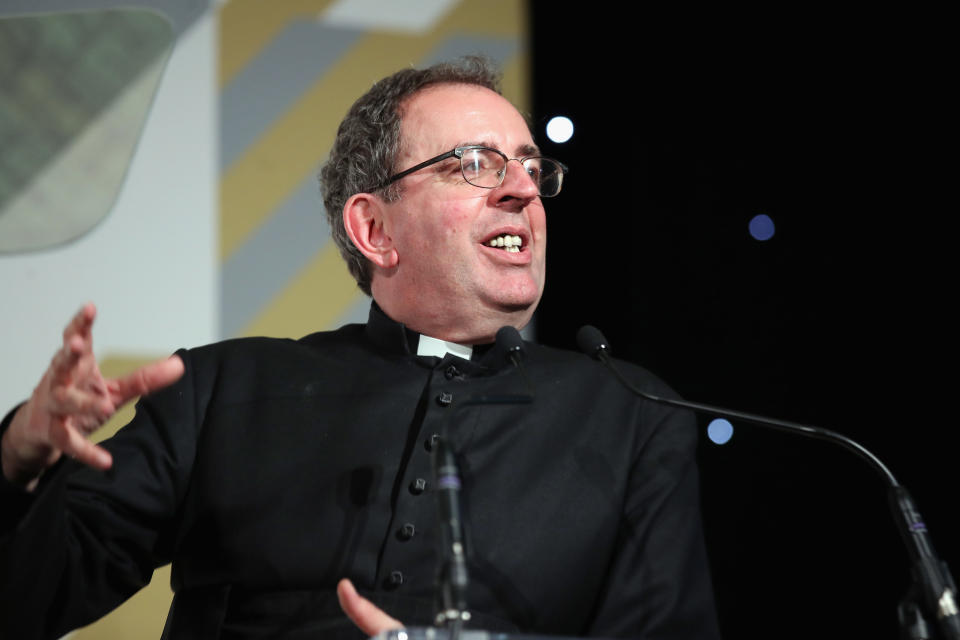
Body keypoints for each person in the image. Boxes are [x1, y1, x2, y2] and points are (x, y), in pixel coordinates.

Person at [0, 57, 719, 639]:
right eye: (475, 163)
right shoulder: (222, 390)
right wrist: (17, 457)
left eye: (531, 168)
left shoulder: (631, 413)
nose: (522, 190)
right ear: (375, 229)